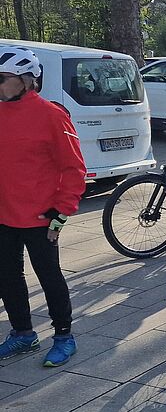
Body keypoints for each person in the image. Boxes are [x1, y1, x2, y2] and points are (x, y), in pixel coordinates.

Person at [0, 46, 86, 367]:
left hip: (41, 216)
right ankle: (23, 333)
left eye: (1, 79)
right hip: (4, 214)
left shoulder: (52, 115)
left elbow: (74, 168)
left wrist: (61, 211)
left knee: (49, 276)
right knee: (7, 276)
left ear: (26, 81)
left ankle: (64, 336)